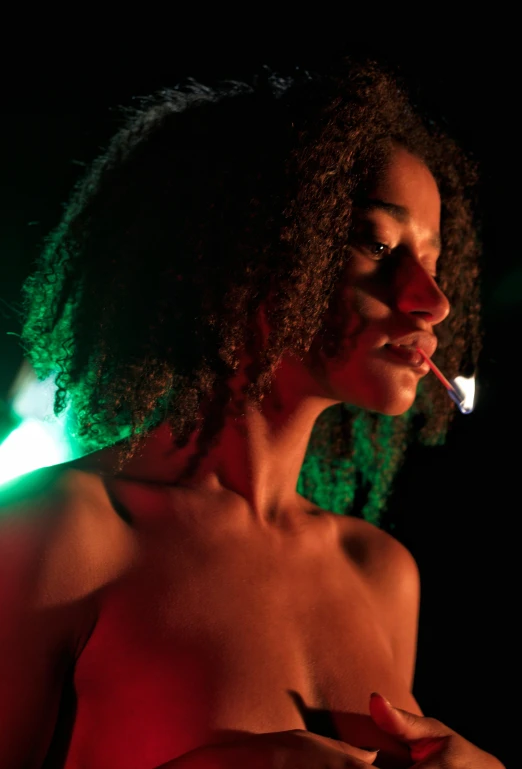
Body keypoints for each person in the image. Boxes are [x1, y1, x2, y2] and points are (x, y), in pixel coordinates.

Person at [0, 59, 503, 769]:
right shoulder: (57, 533)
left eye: (432, 259)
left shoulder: (383, 575)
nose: (433, 300)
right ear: (243, 249)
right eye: (378, 244)